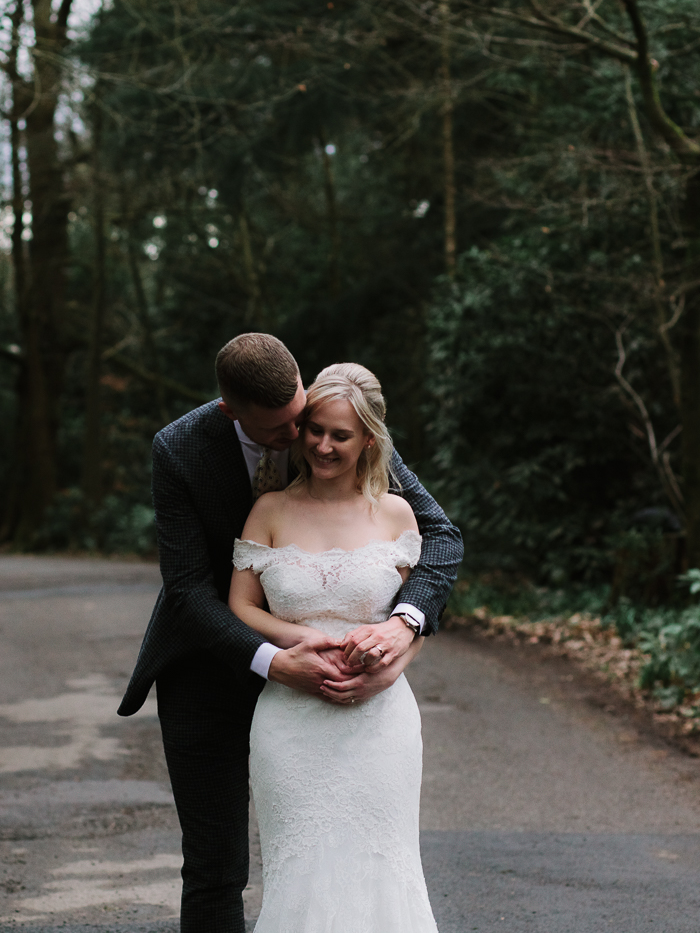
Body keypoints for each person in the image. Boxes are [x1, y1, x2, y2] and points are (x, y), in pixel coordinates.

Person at [118, 334, 462, 933]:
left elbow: (440, 539)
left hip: (348, 682)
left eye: (305, 417)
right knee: (215, 866)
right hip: (209, 662)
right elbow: (190, 592)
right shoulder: (180, 449)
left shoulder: (329, 412)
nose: (307, 439)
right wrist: (275, 662)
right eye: (285, 430)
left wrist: (403, 631)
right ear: (233, 413)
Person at [229, 361, 440, 932]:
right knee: (300, 870)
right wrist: (298, 637)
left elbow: (416, 619)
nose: (322, 445)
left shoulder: (397, 514)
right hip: (289, 723)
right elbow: (241, 607)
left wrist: (392, 665)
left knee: (382, 868)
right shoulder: (269, 508)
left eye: (340, 435)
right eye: (314, 430)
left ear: (368, 439)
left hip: (379, 723)